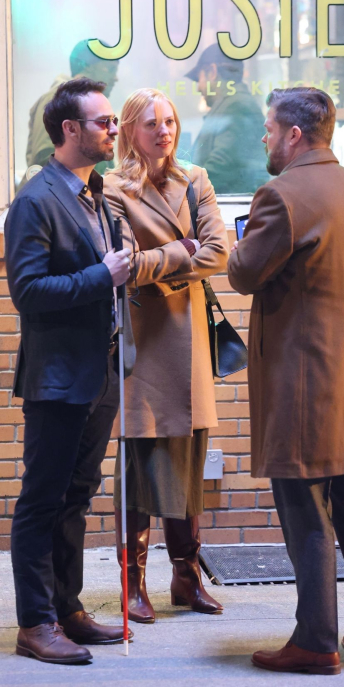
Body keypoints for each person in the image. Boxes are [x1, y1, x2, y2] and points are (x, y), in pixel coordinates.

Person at [228, 87, 344, 675]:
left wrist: (239, 237)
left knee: (306, 509)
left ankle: (315, 641)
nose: (265, 138)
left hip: (303, 381)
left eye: (270, 129)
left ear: (294, 134)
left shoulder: (280, 196)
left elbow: (245, 273)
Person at [5, 77, 133, 664]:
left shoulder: (98, 195)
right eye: (103, 121)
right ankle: (35, 623)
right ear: (70, 131)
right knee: (43, 499)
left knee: (78, 496)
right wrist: (100, 277)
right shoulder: (36, 199)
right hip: (57, 378)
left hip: (100, 372)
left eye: (112, 121)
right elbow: (28, 292)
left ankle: (68, 608)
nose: (114, 129)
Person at [103, 88, 229, 624]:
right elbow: (124, 263)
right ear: (130, 129)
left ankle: (186, 577)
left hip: (189, 340)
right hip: (145, 343)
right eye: (152, 123)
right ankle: (134, 586)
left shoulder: (195, 178)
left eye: (171, 121)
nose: (165, 131)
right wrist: (182, 253)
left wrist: (161, 265)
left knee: (190, 457)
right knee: (139, 462)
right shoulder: (109, 188)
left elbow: (220, 251)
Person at [185, 43, 268, 194]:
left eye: (199, 79)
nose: (198, 88)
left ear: (212, 72)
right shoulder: (231, 104)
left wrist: (178, 188)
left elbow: (220, 169)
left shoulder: (236, 107)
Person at [26, 40, 119, 172]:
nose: (115, 78)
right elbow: (44, 156)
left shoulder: (78, 101)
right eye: (110, 69)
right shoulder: (56, 99)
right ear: (86, 66)